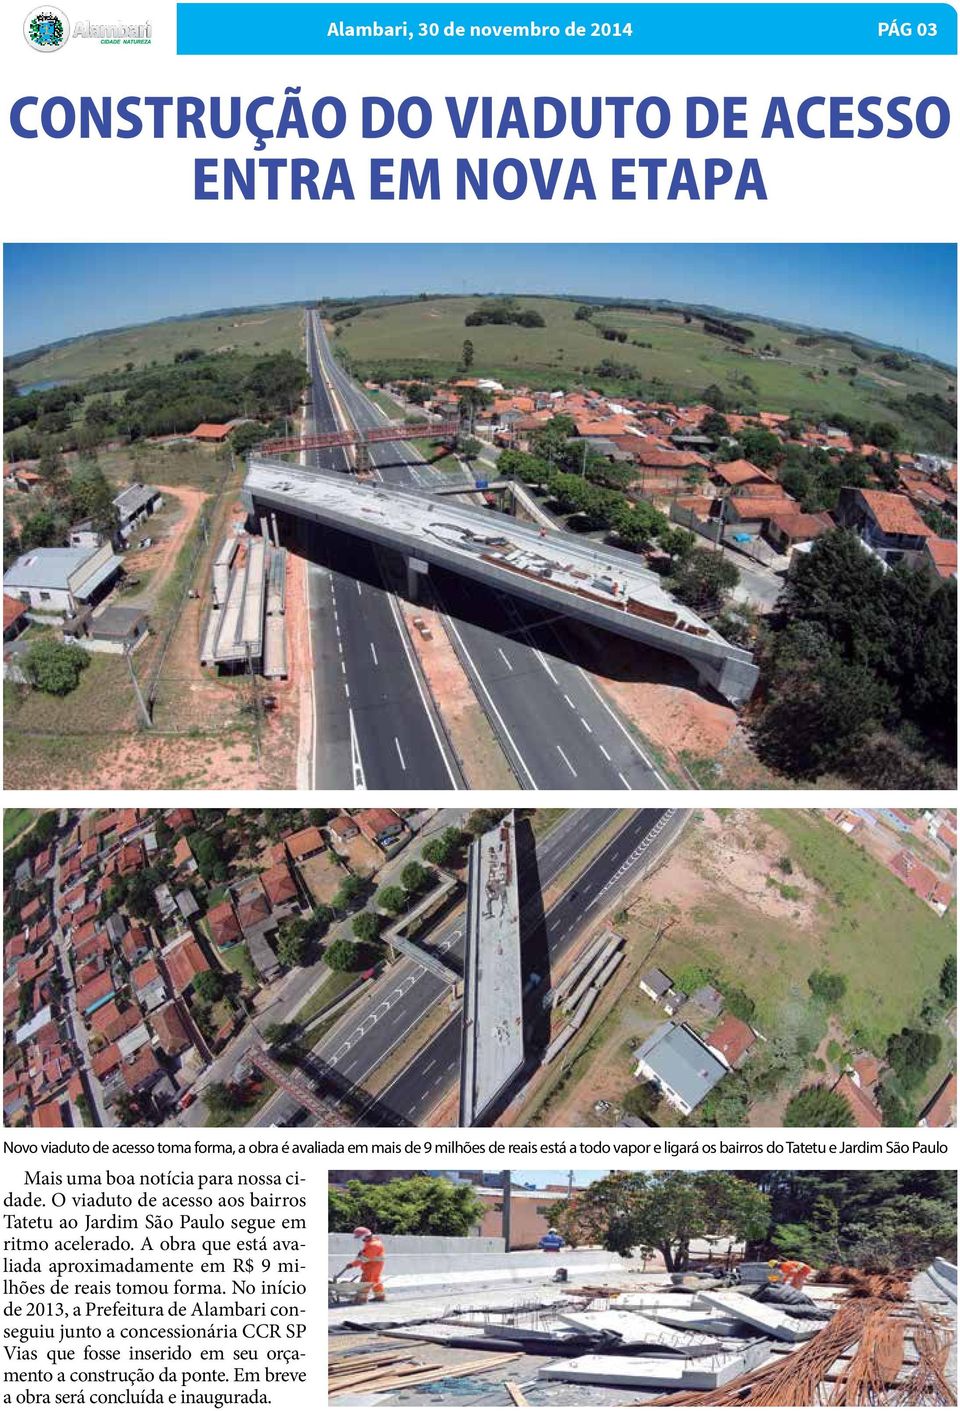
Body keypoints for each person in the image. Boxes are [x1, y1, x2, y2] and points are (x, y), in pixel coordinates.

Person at [349, 1227, 387, 1301]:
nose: (362, 1240)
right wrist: (363, 1252)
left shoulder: (373, 1245)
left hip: (372, 1266)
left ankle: (361, 1298)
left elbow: (364, 1259)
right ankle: (380, 1296)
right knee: (375, 1280)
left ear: (365, 1236)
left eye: (361, 1238)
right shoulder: (373, 1241)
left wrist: (352, 1264)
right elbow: (367, 1254)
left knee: (365, 1281)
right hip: (375, 1265)